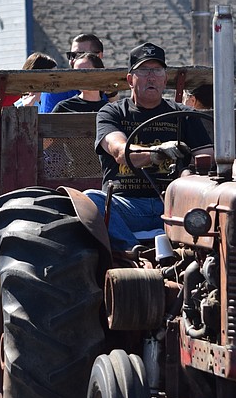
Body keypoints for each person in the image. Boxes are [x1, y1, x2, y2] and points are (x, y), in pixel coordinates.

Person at [86, 42, 213, 251]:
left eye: (157, 70)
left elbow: (207, 155)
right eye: (144, 71)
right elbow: (120, 151)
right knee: (91, 200)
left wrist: (186, 163)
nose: (151, 77)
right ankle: (134, 253)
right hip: (127, 206)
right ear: (130, 79)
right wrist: (159, 153)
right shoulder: (112, 113)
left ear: (165, 79)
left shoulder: (182, 114)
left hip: (175, 204)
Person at [40, 33, 106, 113]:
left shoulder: (106, 92)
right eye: (71, 55)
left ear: (98, 56)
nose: (73, 60)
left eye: (81, 55)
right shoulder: (55, 88)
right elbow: (47, 123)